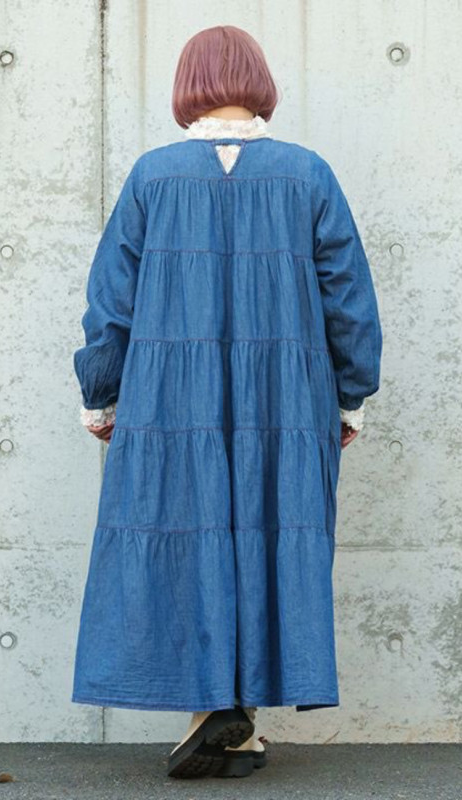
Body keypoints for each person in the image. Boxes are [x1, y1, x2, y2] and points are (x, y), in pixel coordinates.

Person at [71, 25, 382, 780]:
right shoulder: (307, 175)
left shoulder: (153, 177)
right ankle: (233, 726)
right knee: (270, 535)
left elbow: (112, 299)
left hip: (169, 398)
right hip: (287, 395)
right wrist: (350, 395)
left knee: (188, 535)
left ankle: (218, 717)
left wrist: (101, 393)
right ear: (260, 81)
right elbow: (348, 298)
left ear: (188, 84)